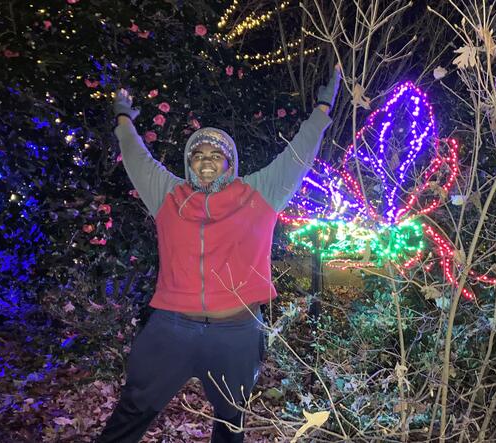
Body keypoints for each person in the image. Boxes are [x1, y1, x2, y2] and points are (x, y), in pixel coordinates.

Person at [97, 65, 341, 443]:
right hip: (172, 328)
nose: (207, 159)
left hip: (237, 332)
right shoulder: (168, 195)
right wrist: (123, 118)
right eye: (197, 153)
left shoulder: (259, 194)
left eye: (217, 153)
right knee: (133, 410)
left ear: (231, 162)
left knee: (231, 422)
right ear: (188, 162)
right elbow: (136, 157)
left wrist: (322, 110)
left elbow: (297, 155)